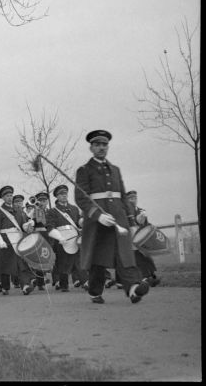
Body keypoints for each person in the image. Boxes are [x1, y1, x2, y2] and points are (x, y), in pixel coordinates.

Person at [74, 130, 150, 304]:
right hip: (96, 222)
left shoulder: (115, 170)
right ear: (91, 148)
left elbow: (123, 196)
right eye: (97, 145)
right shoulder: (84, 171)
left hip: (118, 219)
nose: (101, 148)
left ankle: (132, 288)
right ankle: (95, 291)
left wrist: (130, 220)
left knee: (124, 253)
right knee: (97, 258)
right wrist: (97, 215)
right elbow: (81, 198)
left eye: (104, 144)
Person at [0, 185, 35, 295]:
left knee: (21, 263)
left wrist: (29, 224)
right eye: (7, 196)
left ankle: (25, 286)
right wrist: (1, 241)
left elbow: (22, 226)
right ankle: (5, 287)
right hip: (6, 240)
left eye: (11, 195)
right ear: (3, 198)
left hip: (18, 239)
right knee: (5, 265)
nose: (10, 198)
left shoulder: (18, 211)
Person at [46, 184, 82, 292]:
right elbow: (50, 226)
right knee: (63, 263)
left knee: (78, 261)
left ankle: (85, 281)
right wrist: (59, 237)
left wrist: (83, 222)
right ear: (57, 196)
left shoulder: (74, 209)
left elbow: (78, 222)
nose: (64, 196)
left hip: (74, 237)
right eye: (61, 194)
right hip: (61, 238)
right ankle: (64, 285)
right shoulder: (53, 211)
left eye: (65, 193)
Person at [126, 190, 161, 287]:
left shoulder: (141, 210)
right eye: (131, 198)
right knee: (138, 258)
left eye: (135, 198)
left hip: (141, 238)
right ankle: (145, 278)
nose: (133, 200)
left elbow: (146, 225)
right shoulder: (126, 211)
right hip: (132, 238)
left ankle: (152, 274)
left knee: (146, 257)